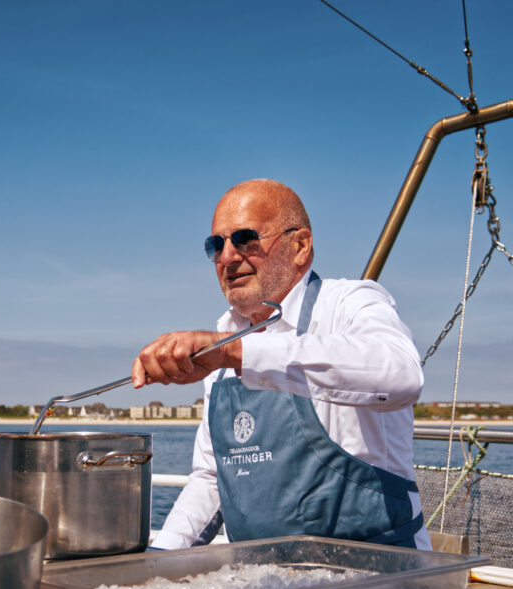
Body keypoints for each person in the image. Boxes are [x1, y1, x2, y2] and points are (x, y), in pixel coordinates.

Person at [132, 178, 431, 550]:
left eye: (245, 239)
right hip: (263, 586)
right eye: (216, 245)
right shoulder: (223, 344)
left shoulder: (352, 303)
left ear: (300, 246)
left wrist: (238, 353)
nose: (227, 258)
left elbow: (401, 375)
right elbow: (212, 478)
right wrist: (159, 560)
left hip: (375, 578)